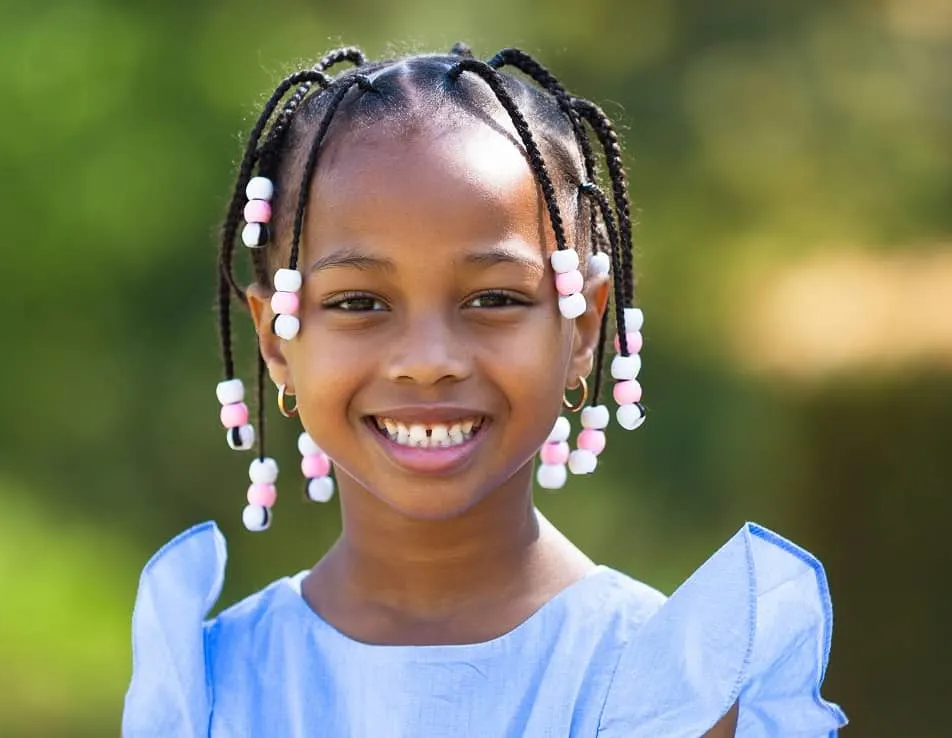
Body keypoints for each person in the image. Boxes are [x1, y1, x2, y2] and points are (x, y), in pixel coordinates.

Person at [122, 43, 848, 737]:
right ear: (276, 339)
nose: (428, 361)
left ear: (585, 326)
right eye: (358, 303)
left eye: (494, 298)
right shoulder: (210, 689)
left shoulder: (669, 689)